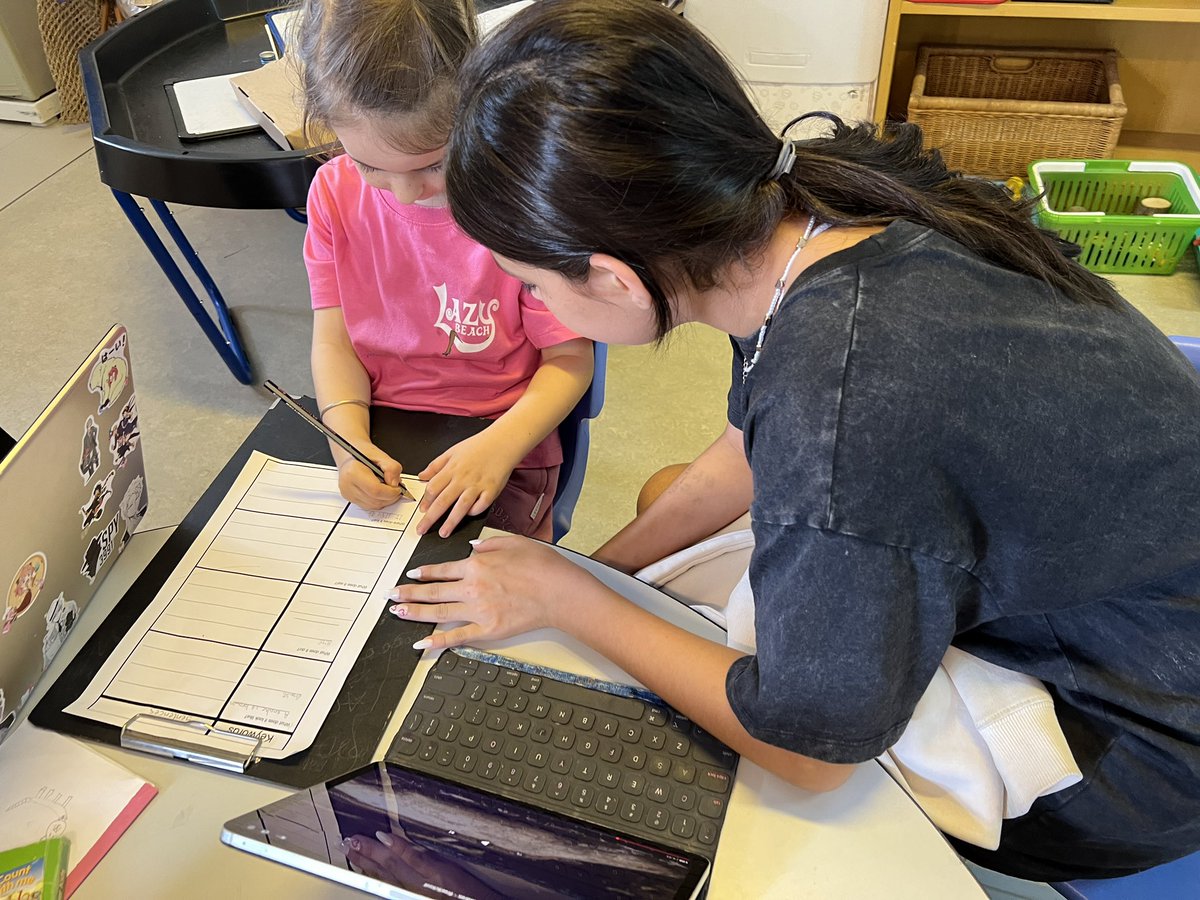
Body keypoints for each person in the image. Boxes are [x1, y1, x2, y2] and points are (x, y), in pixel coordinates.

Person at [389, 0, 1200, 882]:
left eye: (533, 283)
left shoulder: (847, 394)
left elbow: (815, 747)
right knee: (669, 500)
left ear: (616, 279)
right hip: (1125, 596)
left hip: (1135, 744)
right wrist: (594, 573)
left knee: (724, 777)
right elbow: (744, 449)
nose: (537, 304)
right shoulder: (809, 198)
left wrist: (573, 604)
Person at [294, 0, 594, 540]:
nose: (407, 193)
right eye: (369, 165)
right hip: (378, 425)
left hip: (504, 437)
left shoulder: (519, 202)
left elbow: (571, 360)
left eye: (432, 163)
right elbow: (334, 342)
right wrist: (345, 440)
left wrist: (499, 446)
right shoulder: (333, 194)